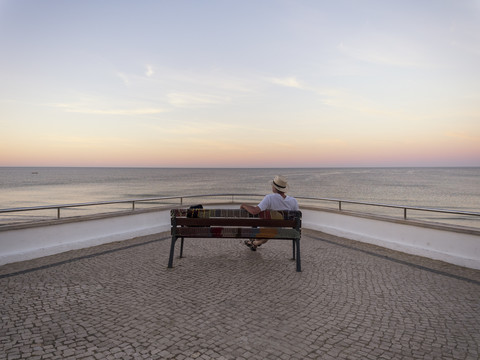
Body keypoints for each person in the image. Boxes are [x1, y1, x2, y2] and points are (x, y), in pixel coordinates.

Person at [240, 175, 299, 251]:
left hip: (268, 229)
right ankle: (254, 243)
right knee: (270, 229)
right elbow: (296, 217)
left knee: (264, 228)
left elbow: (255, 211)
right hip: (282, 229)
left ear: (274, 188)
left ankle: (253, 242)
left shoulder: (269, 198)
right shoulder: (293, 201)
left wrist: (244, 205)